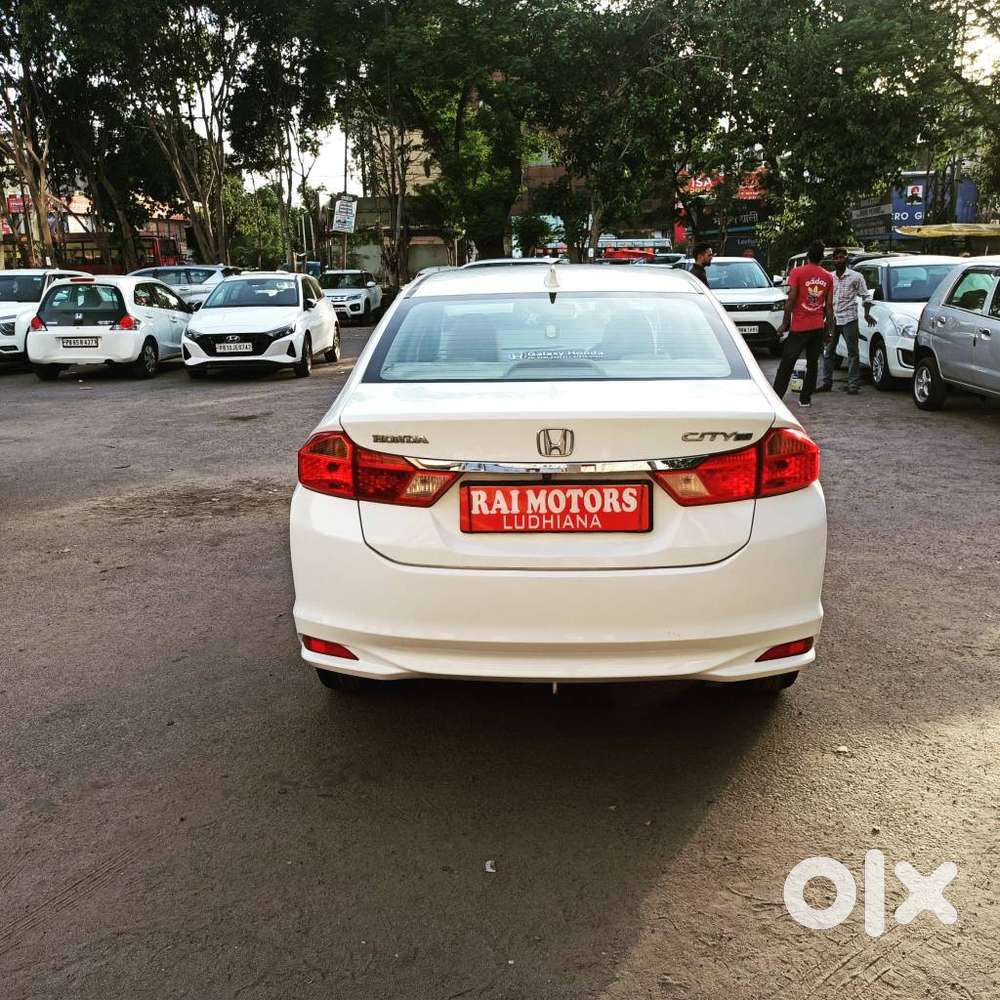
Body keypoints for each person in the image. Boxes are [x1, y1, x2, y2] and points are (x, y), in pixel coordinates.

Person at [772, 239, 833, 407]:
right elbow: (828, 307)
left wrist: (785, 323)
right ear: (822, 258)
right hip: (817, 327)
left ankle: (776, 398)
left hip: (799, 327)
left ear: (807, 256)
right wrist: (829, 330)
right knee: (813, 363)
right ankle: (805, 398)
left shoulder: (797, 272)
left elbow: (790, 300)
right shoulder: (828, 277)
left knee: (787, 362)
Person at [818, 246, 874, 395]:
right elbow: (824, 300)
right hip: (833, 319)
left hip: (849, 319)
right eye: (836, 258)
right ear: (833, 260)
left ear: (846, 259)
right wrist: (824, 319)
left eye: (841, 257)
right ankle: (826, 382)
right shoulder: (830, 277)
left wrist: (867, 313)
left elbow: (866, 296)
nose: (839, 260)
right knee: (829, 352)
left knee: (852, 352)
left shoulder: (856, 277)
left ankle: (853, 384)